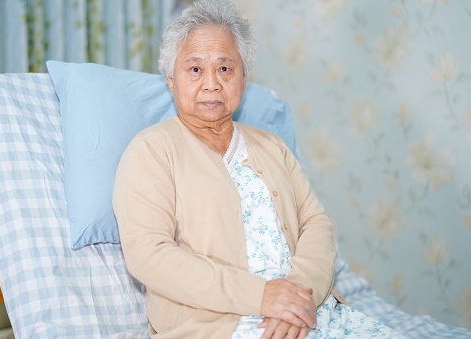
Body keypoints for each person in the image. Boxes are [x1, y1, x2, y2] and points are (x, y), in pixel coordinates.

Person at [113, 1, 406, 338]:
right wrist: (263, 297)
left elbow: (316, 224)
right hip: (219, 326)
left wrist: (297, 296)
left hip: (309, 312)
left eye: (225, 69)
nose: (211, 83)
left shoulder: (273, 146)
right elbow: (149, 255)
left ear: (244, 79)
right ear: (170, 80)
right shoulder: (151, 151)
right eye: (194, 69)